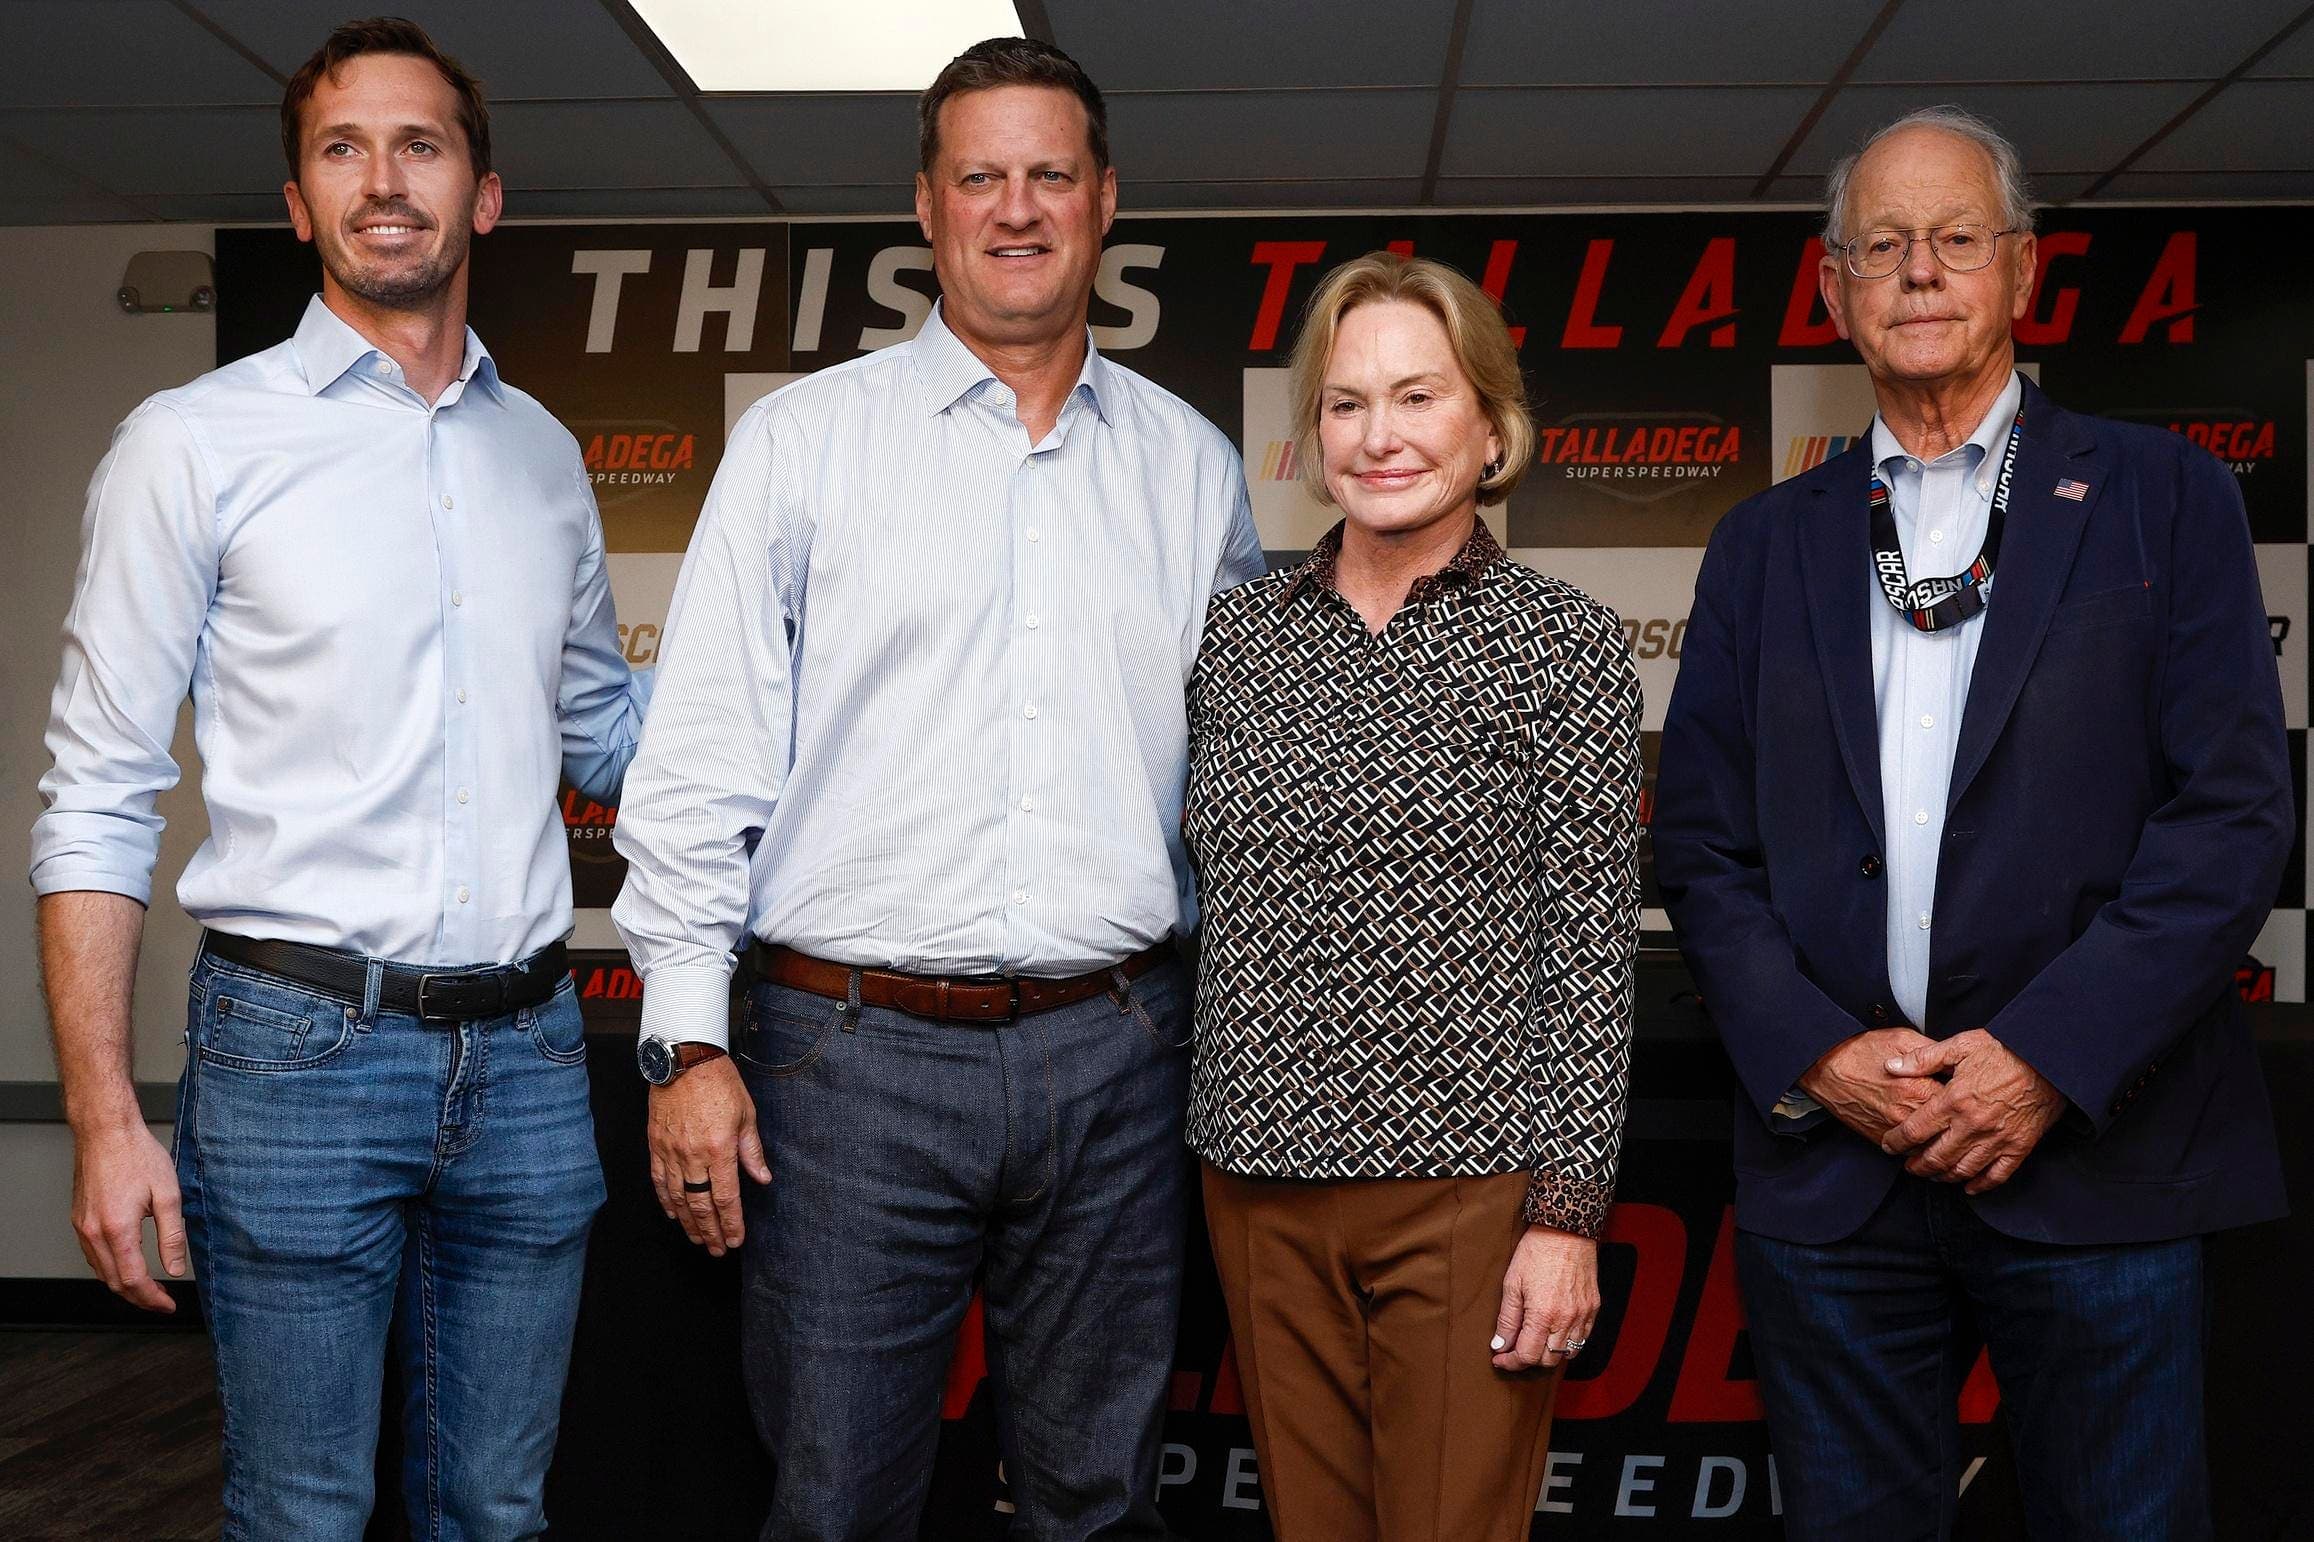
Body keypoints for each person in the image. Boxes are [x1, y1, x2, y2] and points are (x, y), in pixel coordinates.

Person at [610, 36, 1265, 1541]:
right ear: (927, 205)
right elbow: (696, 763)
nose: (1015, 208)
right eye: (980, 177)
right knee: (838, 1500)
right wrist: (685, 1042)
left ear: (1105, 201)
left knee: (1097, 1504)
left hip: (1117, 1053)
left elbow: (1239, 778)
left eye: (1049, 175)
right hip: (848, 1065)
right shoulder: (802, 445)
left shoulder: (1191, 468)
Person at [30, 18, 649, 1539]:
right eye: (343, 149)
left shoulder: (544, 458)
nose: (384, 180)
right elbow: (96, 793)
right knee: (302, 1511)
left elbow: (610, 740)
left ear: (482, 195)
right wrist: (104, 1117)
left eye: (420, 145)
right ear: (300, 204)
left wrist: (817, 695)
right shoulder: (192, 445)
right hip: (293, 1052)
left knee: (496, 1506)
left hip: (528, 1058)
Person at [1654, 106, 2292, 1541]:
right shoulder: (1762, 544)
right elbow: (1698, 843)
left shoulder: (2164, 496)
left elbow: (2234, 815)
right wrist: (1824, 1056)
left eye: (1954, 238)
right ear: (1834, 288)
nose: (1919, 271)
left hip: (2098, 1162)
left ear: (2021, 269)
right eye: (1883, 245)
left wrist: (2042, 1060)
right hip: (1837, 1176)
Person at [1183, 251, 1642, 1541]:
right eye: (1346, 403)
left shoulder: (1566, 644)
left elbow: (1588, 951)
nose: (1378, 436)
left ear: (1491, 426)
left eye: (1417, 396)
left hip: (1468, 1196)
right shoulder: (1241, 640)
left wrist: (1565, 1220)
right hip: (1257, 1181)